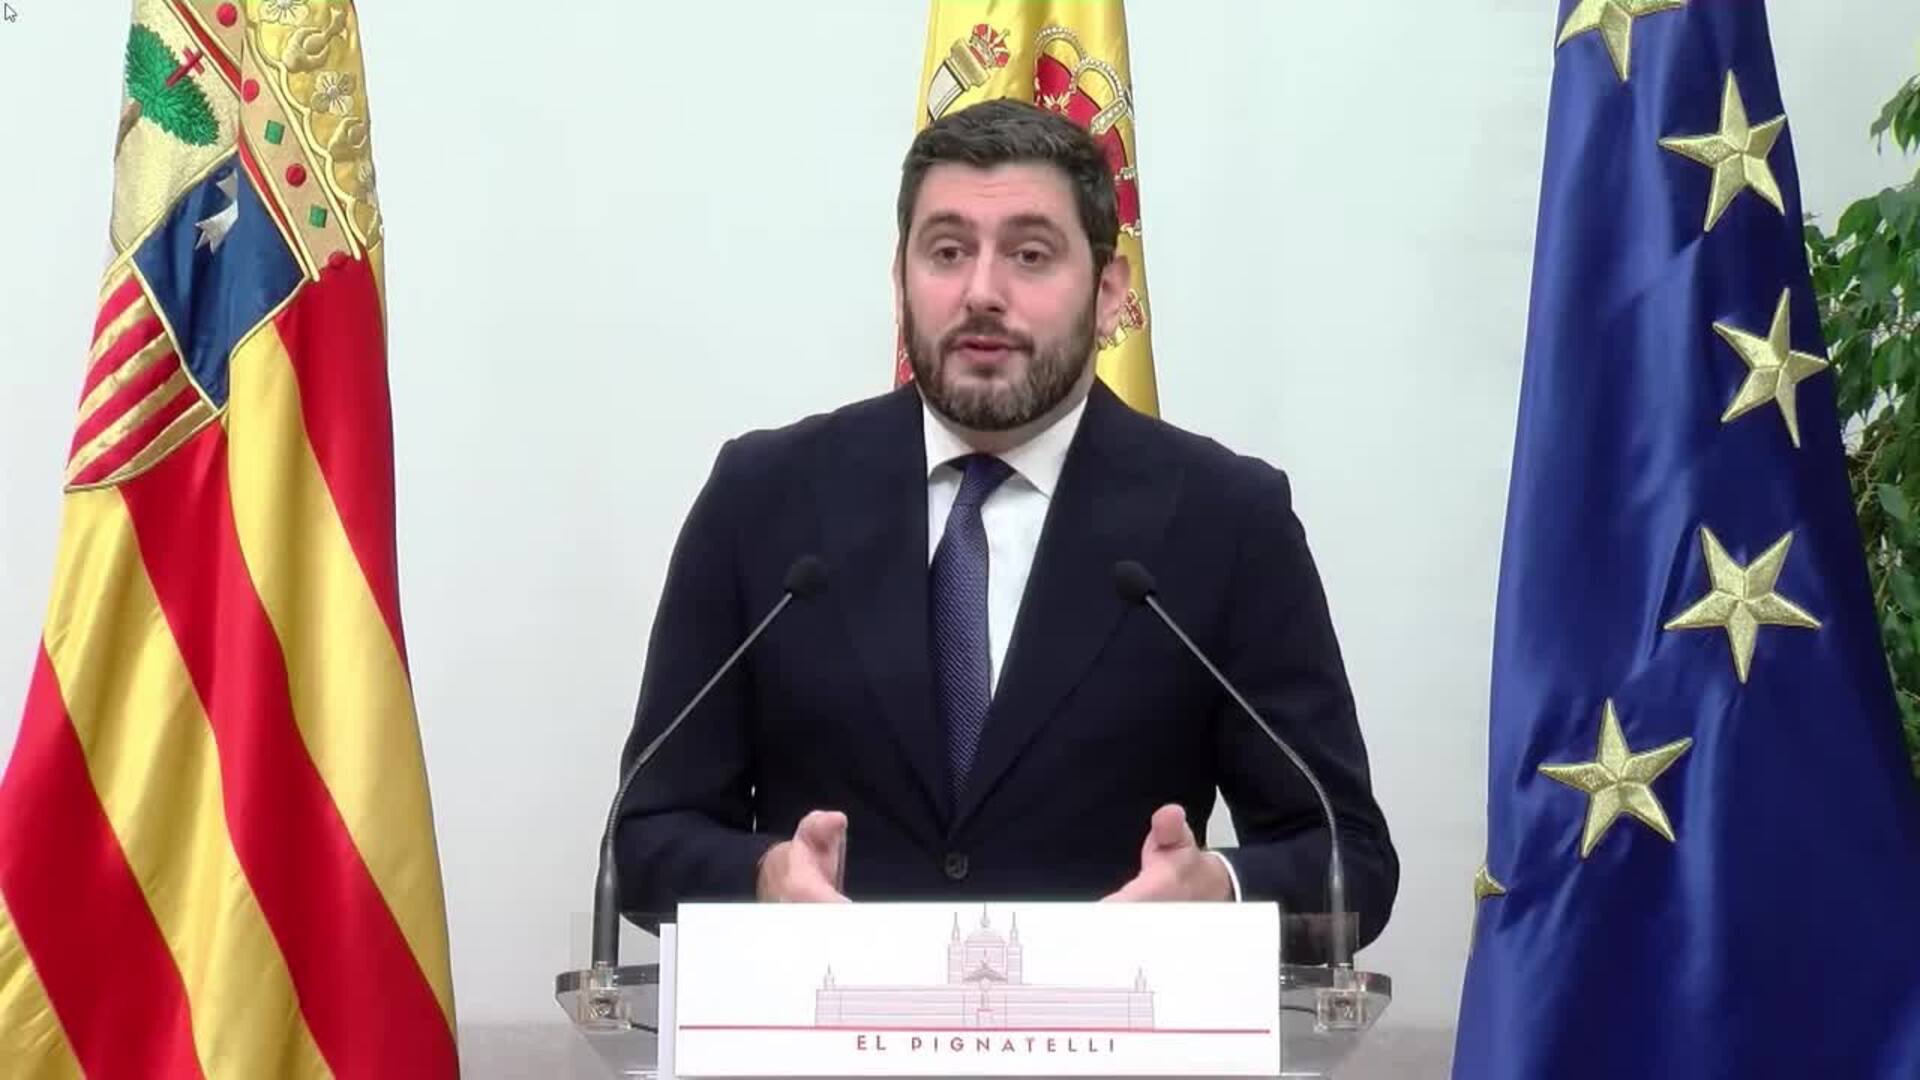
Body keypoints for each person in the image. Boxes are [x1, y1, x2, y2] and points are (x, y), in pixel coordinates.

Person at [613, 98, 1397, 948]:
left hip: (1111, 1019)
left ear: (1109, 293)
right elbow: (646, 838)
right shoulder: (764, 498)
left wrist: (1217, 891)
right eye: (947, 252)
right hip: (828, 1016)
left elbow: (1348, 858)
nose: (981, 293)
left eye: (1030, 255)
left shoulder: (1225, 519)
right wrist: (765, 877)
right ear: (901, 280)